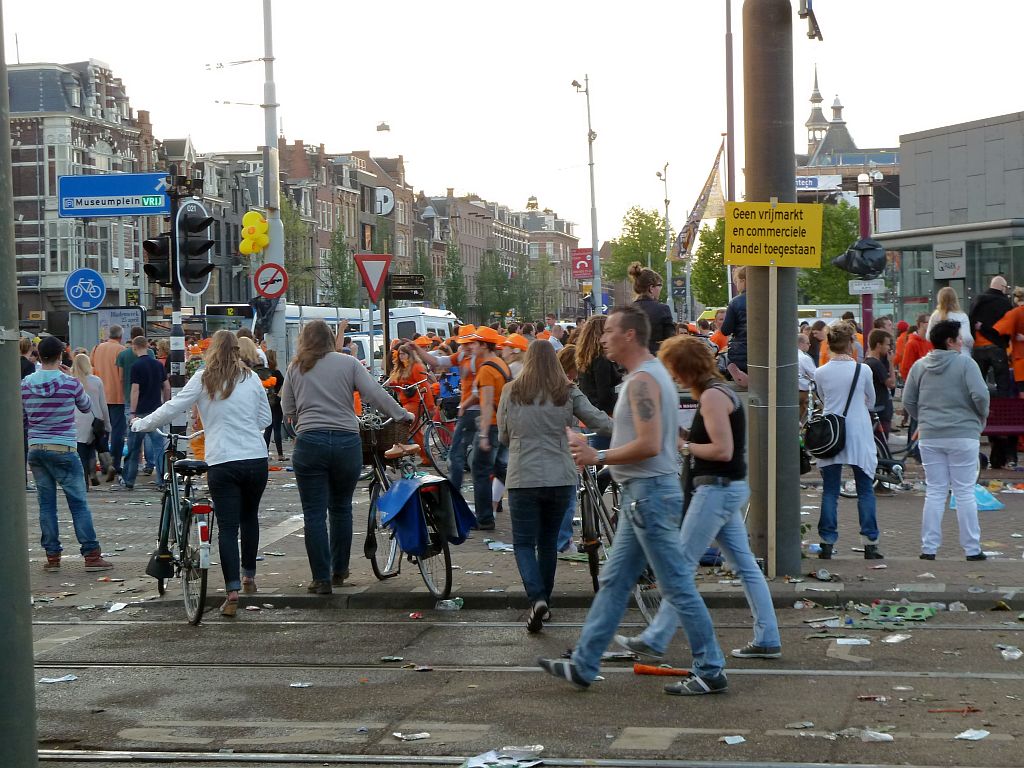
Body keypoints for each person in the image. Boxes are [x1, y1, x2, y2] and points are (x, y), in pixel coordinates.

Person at [538, 305, 728, 696]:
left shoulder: (642, 382)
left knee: (676, 585)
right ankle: (584, 664)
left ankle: (710, 668)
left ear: (629, 335)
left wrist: (597, 456)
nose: (602, 337)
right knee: (615, 581)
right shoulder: (648, 375)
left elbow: (649, 443)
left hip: (649, 495)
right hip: (643, 494)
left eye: (609, 331)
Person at [615, 335, 782, 662]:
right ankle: (767, 637)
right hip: (727, 488)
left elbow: (722, 450)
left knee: (681, 564)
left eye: (674, 368)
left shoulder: (712, 397)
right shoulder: (720, 393)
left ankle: (656, 638)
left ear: (686, 368)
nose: (672, 376)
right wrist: (685, 436)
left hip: (715, 489)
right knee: (745, 566)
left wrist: (685, 446)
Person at [132, 330, 272, 616]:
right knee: (249, 518)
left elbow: (173, 407)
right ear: (237, 350)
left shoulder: (204, 378)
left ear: (212, 350)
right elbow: (265, 419)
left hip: (223, 460)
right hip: (256, 459)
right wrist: (244, 426)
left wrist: (141, 424)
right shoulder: (251, 378)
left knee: (228, 527)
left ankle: (232, 592)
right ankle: (249, 576)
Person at [281, 320, 414, 594]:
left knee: (314, 513)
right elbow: (375, 394)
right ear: (331, 339)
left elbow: (288, 409)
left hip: (310, 443)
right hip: (346, 442)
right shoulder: (349, 363)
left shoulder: (296, 367)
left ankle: (321, 579)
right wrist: (402, 414)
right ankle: (339, 570)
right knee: (341, 507)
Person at [497, 341, 611, 631]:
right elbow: (599, 421)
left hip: (523, 477)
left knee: (524, 543)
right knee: (548, 542)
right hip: (561, 476)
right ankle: (544, 602)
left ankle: (537, 599)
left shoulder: (511, 390)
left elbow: (503, 436)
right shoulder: (568, 391)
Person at [23, 336, 113, 573]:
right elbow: (86, 407)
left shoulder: (26, 384)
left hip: (36, 448)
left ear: (39, 355)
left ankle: (52, 557)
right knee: (78, 503)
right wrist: (72, 380)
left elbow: (23, 417)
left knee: (46, 505)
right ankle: (91, 555)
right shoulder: (69, 383)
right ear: (61, 355)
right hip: (63, 448)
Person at [902, 320, 990, 562]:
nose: (962, 342)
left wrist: (924, 419)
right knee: (964, 492)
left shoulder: (920, 366)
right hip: (963, 434)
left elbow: (908, 400)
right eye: (959, 338)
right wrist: (979, 417)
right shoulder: (966, 364)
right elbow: (980, 395)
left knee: (935, 491)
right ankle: (972, 549)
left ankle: (929, 548)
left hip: (930, 436)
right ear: (950, 341)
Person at [814, 322, 883, 560]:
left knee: (830, 491)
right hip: (858, 432)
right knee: (865, 490)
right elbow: (871, 401)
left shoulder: (820, 372)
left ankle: (827, 542)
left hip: (831, 433)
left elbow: (823, 398)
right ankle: (870, 543)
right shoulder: (863, 370)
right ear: (851, 343)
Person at [405, 325, 480, 490]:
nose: (466, 347)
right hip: (470, 412)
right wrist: (417, 348)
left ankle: (457, 492)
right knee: (463, 455)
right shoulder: (463, 356)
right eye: (464, 343)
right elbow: (437, 361)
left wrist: (464, 405)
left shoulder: (480, 360)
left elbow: (479, 391)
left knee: (461, 455)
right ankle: (462, 490)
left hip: (475, 412)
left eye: (470, 343)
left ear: (477, 342)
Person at [117, 336, 169, 492]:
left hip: (140, 412)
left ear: (134, 347)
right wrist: (165, 405)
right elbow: (166, 387)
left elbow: (135, 390)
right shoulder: (158, 365)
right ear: (147, 346)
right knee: (159, 447)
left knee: (133, 448)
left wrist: (132, 412)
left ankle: (129, 480)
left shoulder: (136, 366)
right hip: (156, 412)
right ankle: (161, 480)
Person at [387, 345, 435, 459]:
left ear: (410, 355)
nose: (401, 356)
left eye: (404, 354)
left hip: (416, 402)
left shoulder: (416, 367)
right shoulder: (401, 368)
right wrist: (392, 384)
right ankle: (427, 458)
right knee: (415, 431)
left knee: (404, 424)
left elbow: (425, 386)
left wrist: (430, 406)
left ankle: (401, 450)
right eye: (400, 354)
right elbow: (399, 388)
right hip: (406, 402)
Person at [91, 325, 126, 481]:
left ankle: (104, 463)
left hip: (99, 394)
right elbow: (122, 375)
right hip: (117, 395)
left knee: (102, 430)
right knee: (118, 431)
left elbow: (92, 368)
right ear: (120, 336)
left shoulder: (97, 348)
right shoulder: (121, 350)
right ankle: (115, 463)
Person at [71, 354, 111, 489]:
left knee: (81, 453)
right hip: (95, 421)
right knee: (92, 450)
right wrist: (107, 424)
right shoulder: (96, 381)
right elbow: (103, 404)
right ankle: (94, 473)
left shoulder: (72, 382)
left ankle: (84, 483)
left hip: (78, 421)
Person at [628, 261, 675, 353]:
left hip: (632, 358)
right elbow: (671, 341)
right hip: (656, 357)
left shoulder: (627, 310)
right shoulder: (662, 309)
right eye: (659, 285)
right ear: (651, 288)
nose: (660, 289)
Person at [864, 329, 896, 441]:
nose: (889, 348)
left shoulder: (867, 362)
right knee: (882, 441)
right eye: (887, 344)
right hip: (881, 409)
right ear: (878, 345)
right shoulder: (876, 364)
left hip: (876, 407)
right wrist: (891, 363)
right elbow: (892, 383)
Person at [721, 267, 748, 385]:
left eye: (736, 281)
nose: (736, 285)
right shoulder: (770, 298)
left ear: (743, 281)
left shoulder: (736, 302)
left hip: (741, 354)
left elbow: (726, 330)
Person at [927, 287, 973, 355]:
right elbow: (967, 338)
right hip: (961, 352)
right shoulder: (962, 315)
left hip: (940, 353)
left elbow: (928, 336)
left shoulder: (935, 316)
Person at [260, 349, 286, 461]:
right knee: (277, 428)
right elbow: (284, 386)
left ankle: (265, 454)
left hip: (267, 402)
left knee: (268, 429)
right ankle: (280, 454)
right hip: (276, 402)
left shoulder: (263, 374)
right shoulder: (277, 373)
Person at [899, 314, 933, 383]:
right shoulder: (912, 343)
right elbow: (905, 369)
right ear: (921, 324)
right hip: (917, 383)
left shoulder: (930, 342)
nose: (932, 325)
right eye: (929, 322)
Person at [797, 332, 816, 423]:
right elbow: (815, 376)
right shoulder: (804, 358)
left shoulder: (787, 356)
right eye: (808, 343)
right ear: (801, 344)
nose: (809, 345)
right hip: (804, 394)